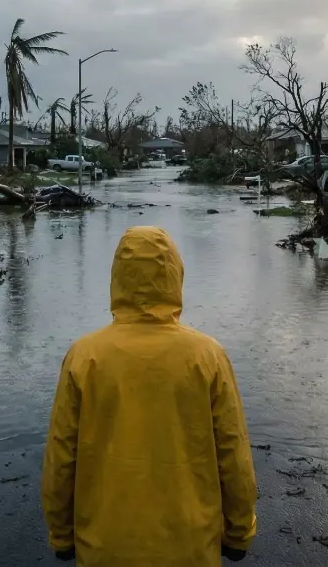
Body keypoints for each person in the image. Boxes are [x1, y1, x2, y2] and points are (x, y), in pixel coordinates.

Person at [42, 226, 258, 566]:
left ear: (117, 277)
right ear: (175, 274)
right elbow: (233, 454)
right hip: (190, 548)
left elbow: (61, 457)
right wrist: (239, 530)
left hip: (104, 547)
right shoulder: (207, 356)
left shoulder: (84, 356)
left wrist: (61, 533)